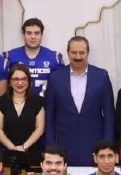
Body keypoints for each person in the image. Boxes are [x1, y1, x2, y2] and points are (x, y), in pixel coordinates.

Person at [44, 36, 114, 166]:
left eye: (81, 52)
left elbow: (109, 115)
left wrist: (108, 148)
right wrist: (49, 148)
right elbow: (49, 118)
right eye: (74, 52)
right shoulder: (55, 78)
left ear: (88, 53)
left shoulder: (101, 77)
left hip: (94, 146)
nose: (77, 56)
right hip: (63, 147)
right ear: (68, 53)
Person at [0, 63, 46, 170]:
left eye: (24, 79)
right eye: (16, 79)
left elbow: (40, 129)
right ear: (10, 82)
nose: (20, 82)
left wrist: (24, 147)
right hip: (7, 155)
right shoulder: (1, 102)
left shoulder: (38, 101)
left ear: (28, 81)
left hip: (32, 155)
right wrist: (12, 148)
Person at [5, 17, 64, 97]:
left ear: (42, 35)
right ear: (23, 35)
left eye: (36, 33)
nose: (33, 37)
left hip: (46, 106)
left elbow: (61, 88)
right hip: (19, 106)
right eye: (29, 33)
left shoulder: (55, 57)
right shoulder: (10, 56)